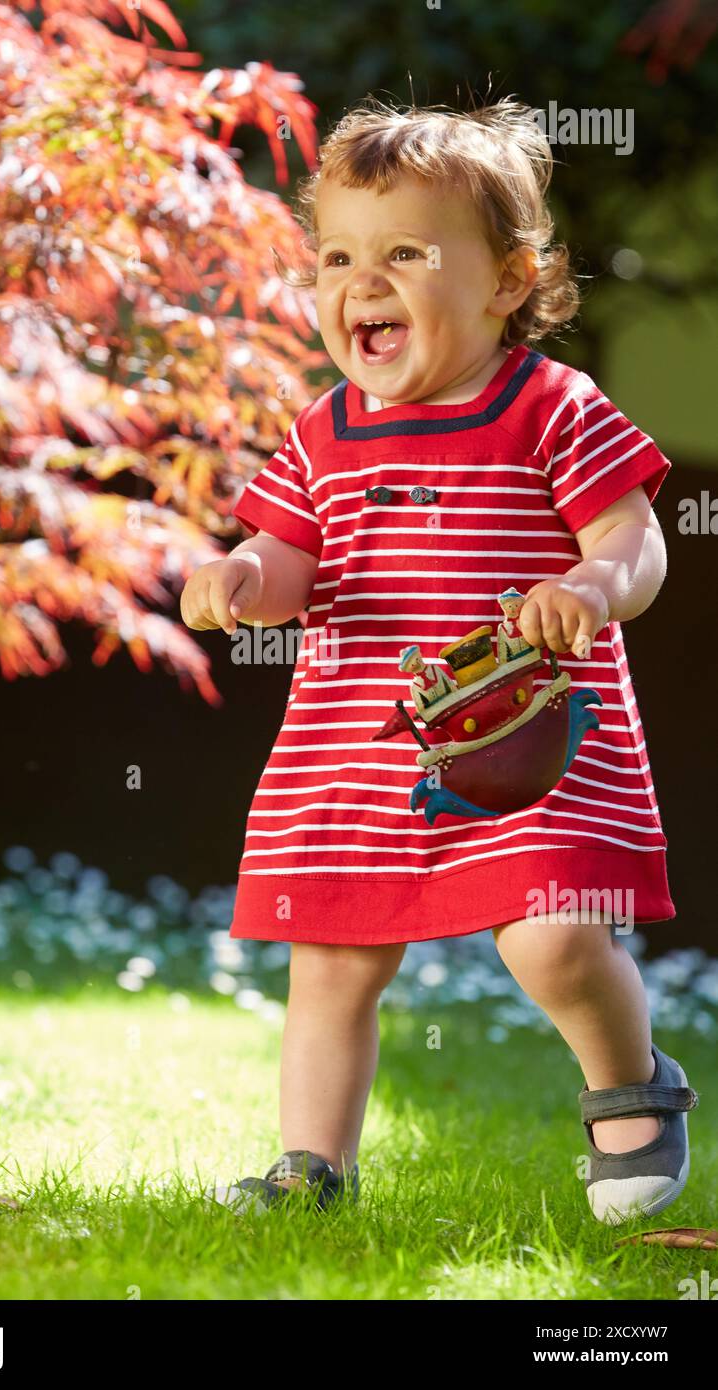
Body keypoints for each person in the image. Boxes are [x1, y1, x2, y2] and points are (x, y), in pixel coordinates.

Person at [180, 97, 697, 1226]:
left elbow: (634, 538)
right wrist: (243, 578)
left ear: (508, 279)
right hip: (357, 744)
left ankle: (631, 1080)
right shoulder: (324, 431)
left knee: (556, 937)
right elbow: (287, 551)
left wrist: (588, 586)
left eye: (405, 253)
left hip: (525, 732)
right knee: (329, 958)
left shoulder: (548, 408)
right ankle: (311, 1170)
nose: (361, 281)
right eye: (337, 255)